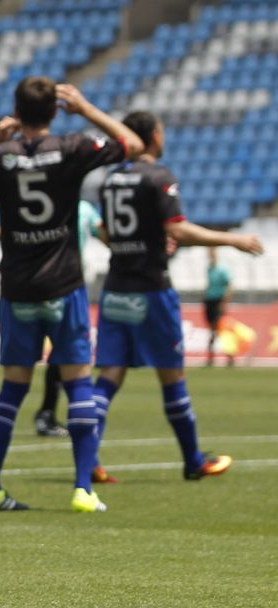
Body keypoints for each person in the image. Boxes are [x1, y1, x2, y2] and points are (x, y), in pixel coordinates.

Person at [0, 78, 142, 514]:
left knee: (12, 388)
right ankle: (82, 490)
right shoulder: (73, 147)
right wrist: (87, 107)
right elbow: (130, 143)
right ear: (55, 111)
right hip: (63, 285)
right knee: (77, 384)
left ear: (16, 111)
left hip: (17, 287)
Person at [91, 111, 262, 481]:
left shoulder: (111, 179)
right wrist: (232, 239)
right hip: (151, 288)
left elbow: (104, 231)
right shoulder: (158, 177)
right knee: (172, 377)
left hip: (117, 286)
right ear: (152, 136)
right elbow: (179, 230)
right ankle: (193, 461)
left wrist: (132, 243)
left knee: (109, 376)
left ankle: (88, 461)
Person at [0, 200, 101, 442]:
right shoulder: (62, 204)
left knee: (50, 362)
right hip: (60, 289)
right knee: (67, 362)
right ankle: (59, 427)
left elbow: (104, 231)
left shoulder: (81, 208)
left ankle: (46, 414)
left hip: (58, 287)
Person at [203, 248, 232, 366]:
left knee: (221, 330)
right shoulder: (209, 269)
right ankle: (210, 358)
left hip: (218, 302)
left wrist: (224, 303)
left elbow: (229, 286)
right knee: (211, 331)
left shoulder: (222, 270)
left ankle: (230, 357)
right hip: (209, 301)